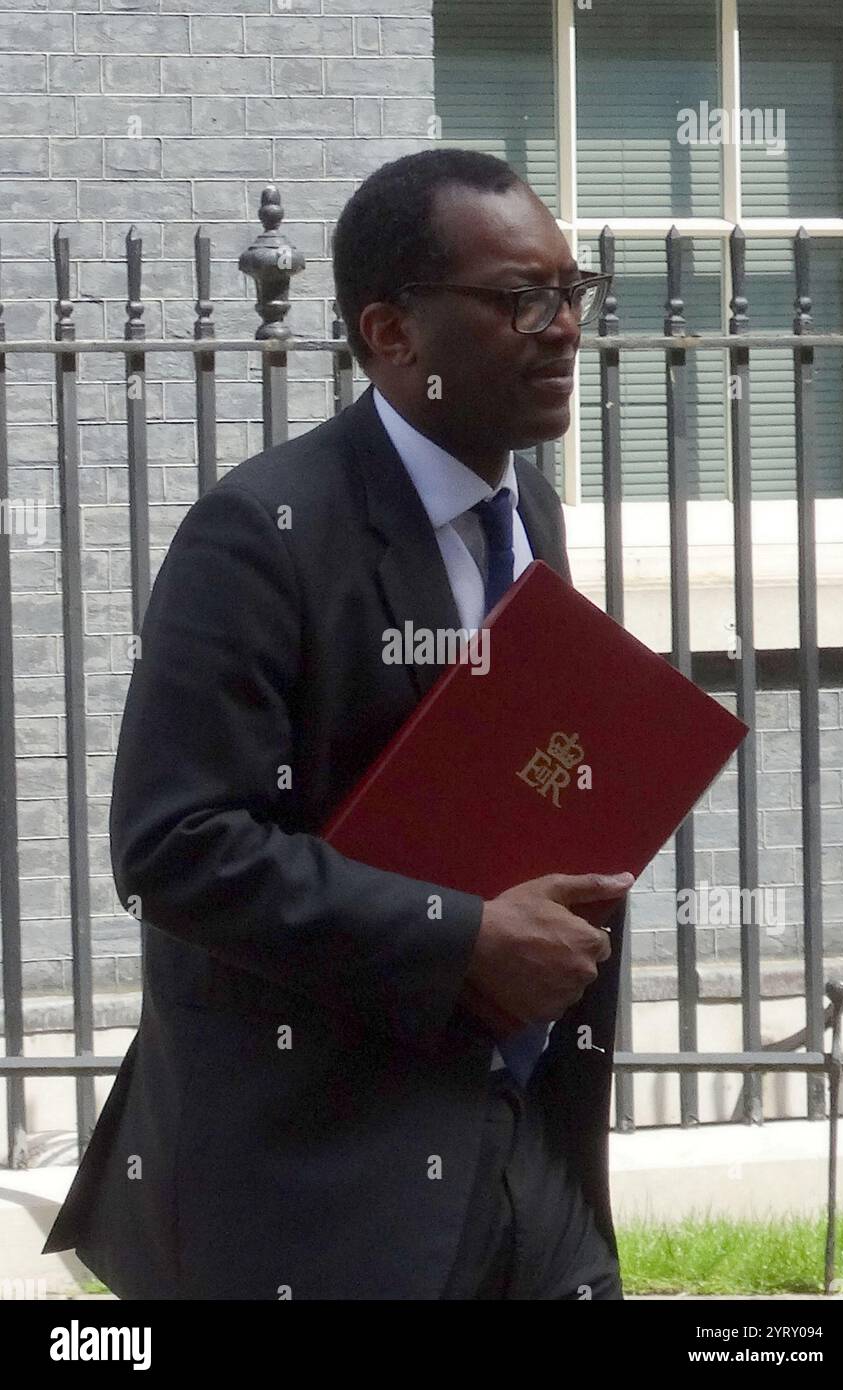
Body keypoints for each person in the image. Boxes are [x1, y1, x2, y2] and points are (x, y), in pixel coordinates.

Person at [42, 149, 634, 1300]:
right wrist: (459, 936)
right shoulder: (257, 538)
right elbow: (175, 849)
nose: (564, 327)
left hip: (525, 1155)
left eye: (575, 291)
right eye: (522, 299)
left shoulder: (532, 513)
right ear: (392, 332)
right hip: (331, 1181)